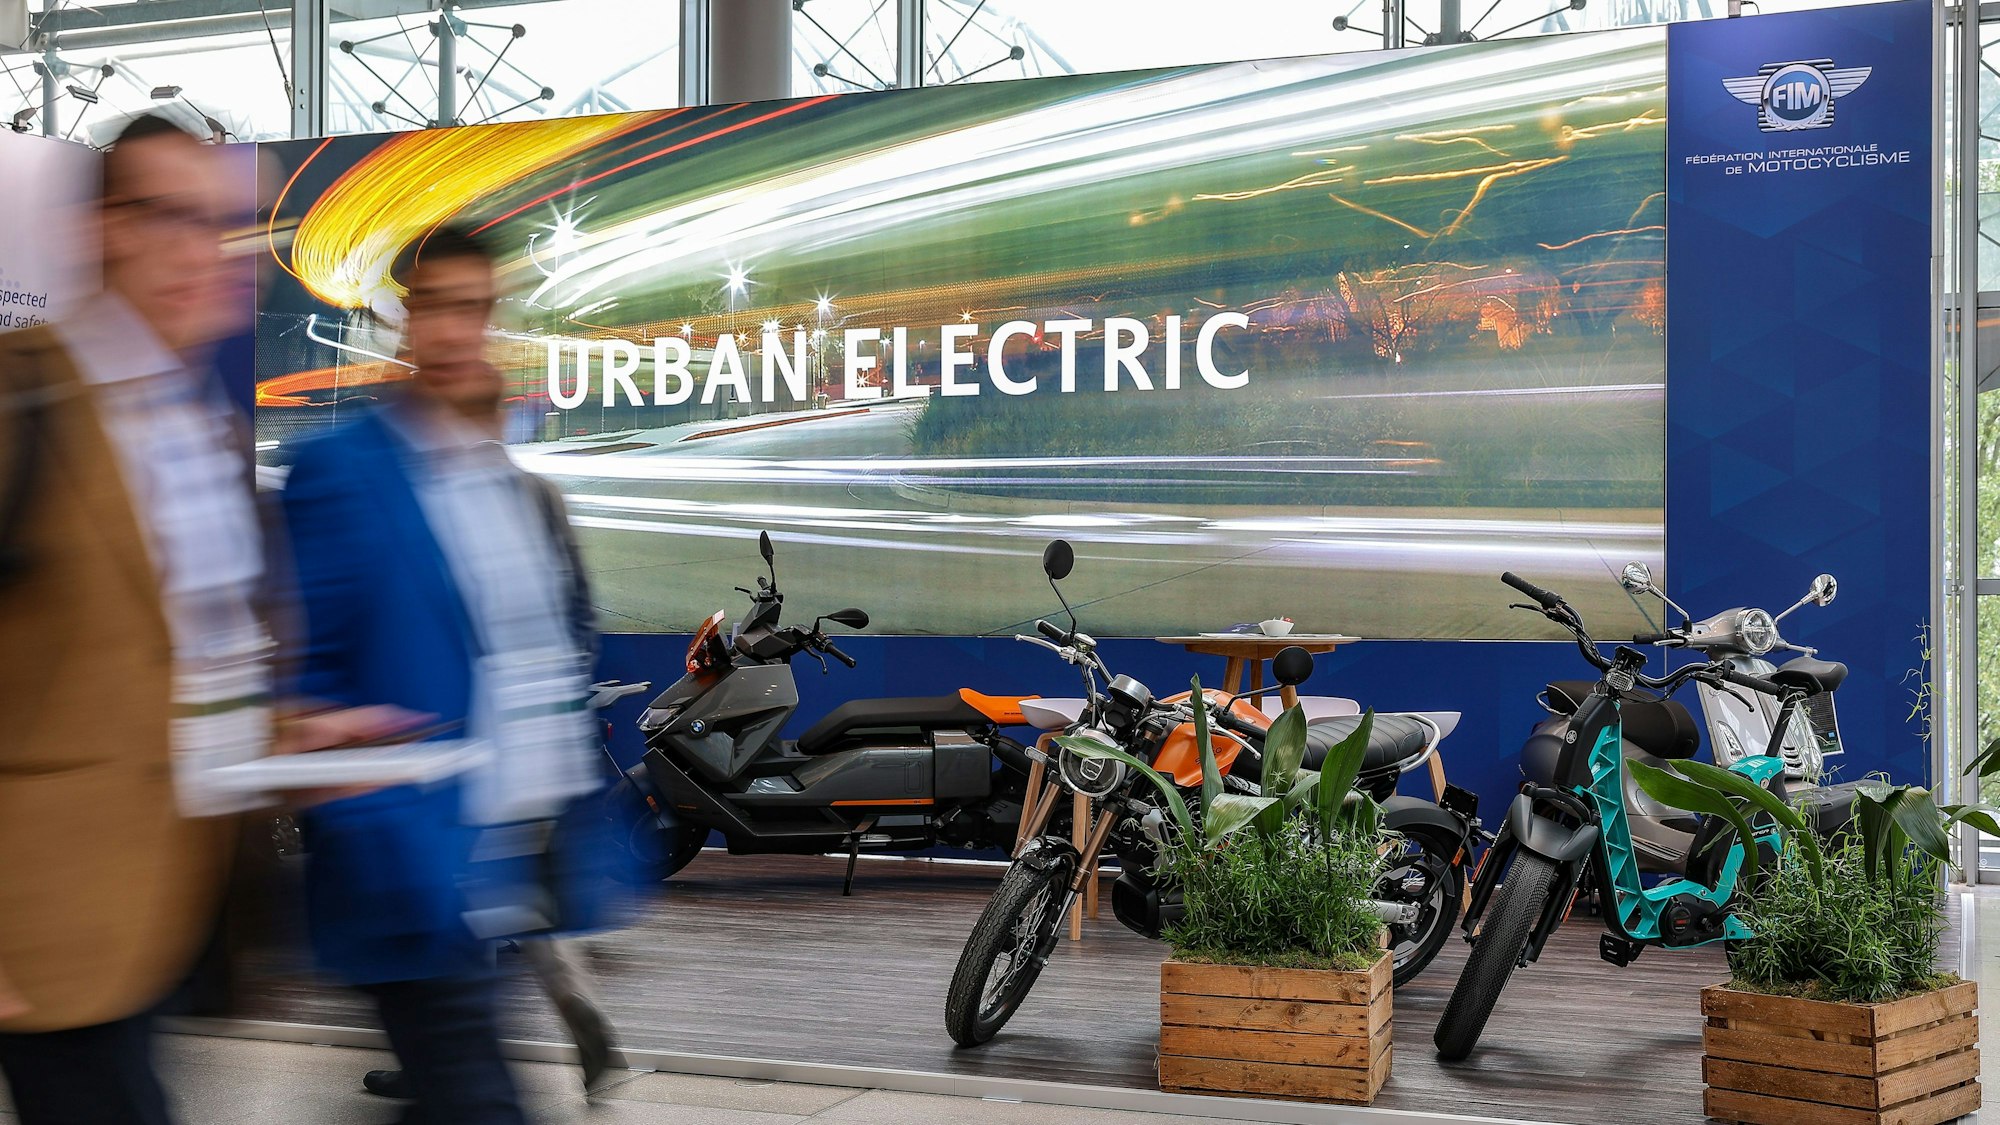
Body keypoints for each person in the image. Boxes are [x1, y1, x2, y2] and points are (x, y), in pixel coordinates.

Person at [0, 114, 391, 1125]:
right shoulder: (23, 402)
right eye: (173, 218)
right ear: (104, 229)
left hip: (167, 914)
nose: (207, 254)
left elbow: (172, 663)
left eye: (228, 228)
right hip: (41, 924)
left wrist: (287, 738)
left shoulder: (192, 425)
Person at [280, 225, 615, 1124]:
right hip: (410, 870)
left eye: (474, 307)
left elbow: (548, 654)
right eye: (437, 306)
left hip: (505, 872)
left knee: (447, 1096)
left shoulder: (504, 484)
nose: (457, 330)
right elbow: (304, 677)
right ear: (404, 319)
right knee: (477, 1100)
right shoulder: (341, 473)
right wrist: (367, 805)